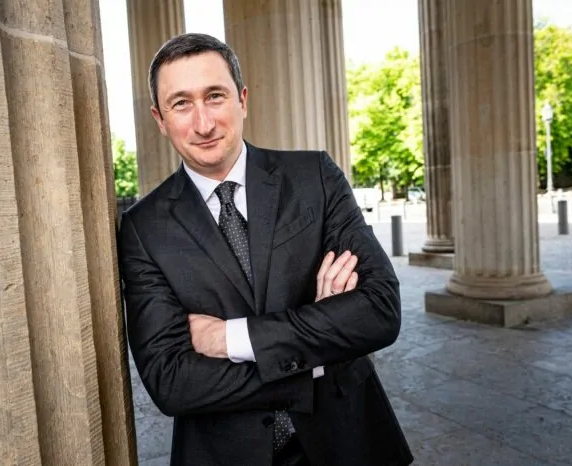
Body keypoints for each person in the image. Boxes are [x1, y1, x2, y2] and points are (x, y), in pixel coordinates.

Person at [118, 32, 413, 466]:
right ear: (159, 119)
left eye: (214, 96)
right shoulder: (143, 228)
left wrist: (229, 338)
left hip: (349, 443)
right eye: (181, 104)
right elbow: (171, 382)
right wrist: (317, 354)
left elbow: (379, 310)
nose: (203, 123)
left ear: (242, 99)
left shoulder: (314, 176)